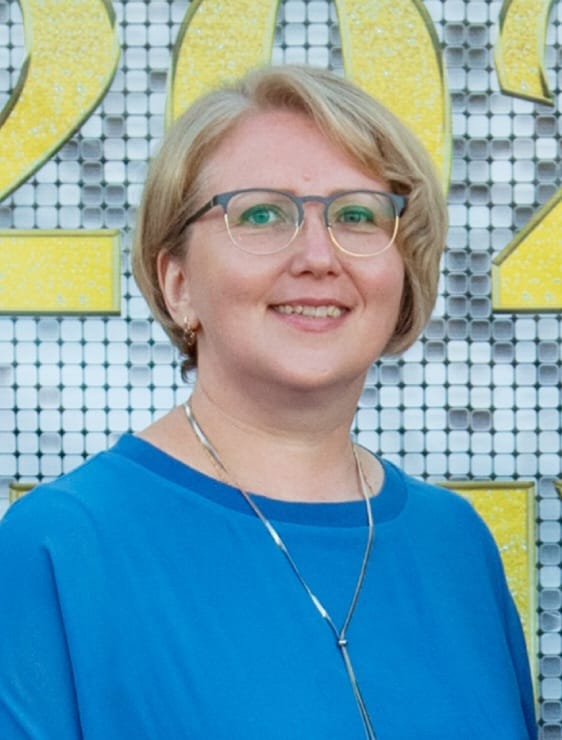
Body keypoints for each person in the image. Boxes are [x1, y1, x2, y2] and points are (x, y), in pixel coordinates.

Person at [0, 65, 536, 739]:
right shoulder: (59, 549)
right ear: (178, 283)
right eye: (261, 214)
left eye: (356, 215)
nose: (317, 256)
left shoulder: (455, 545)